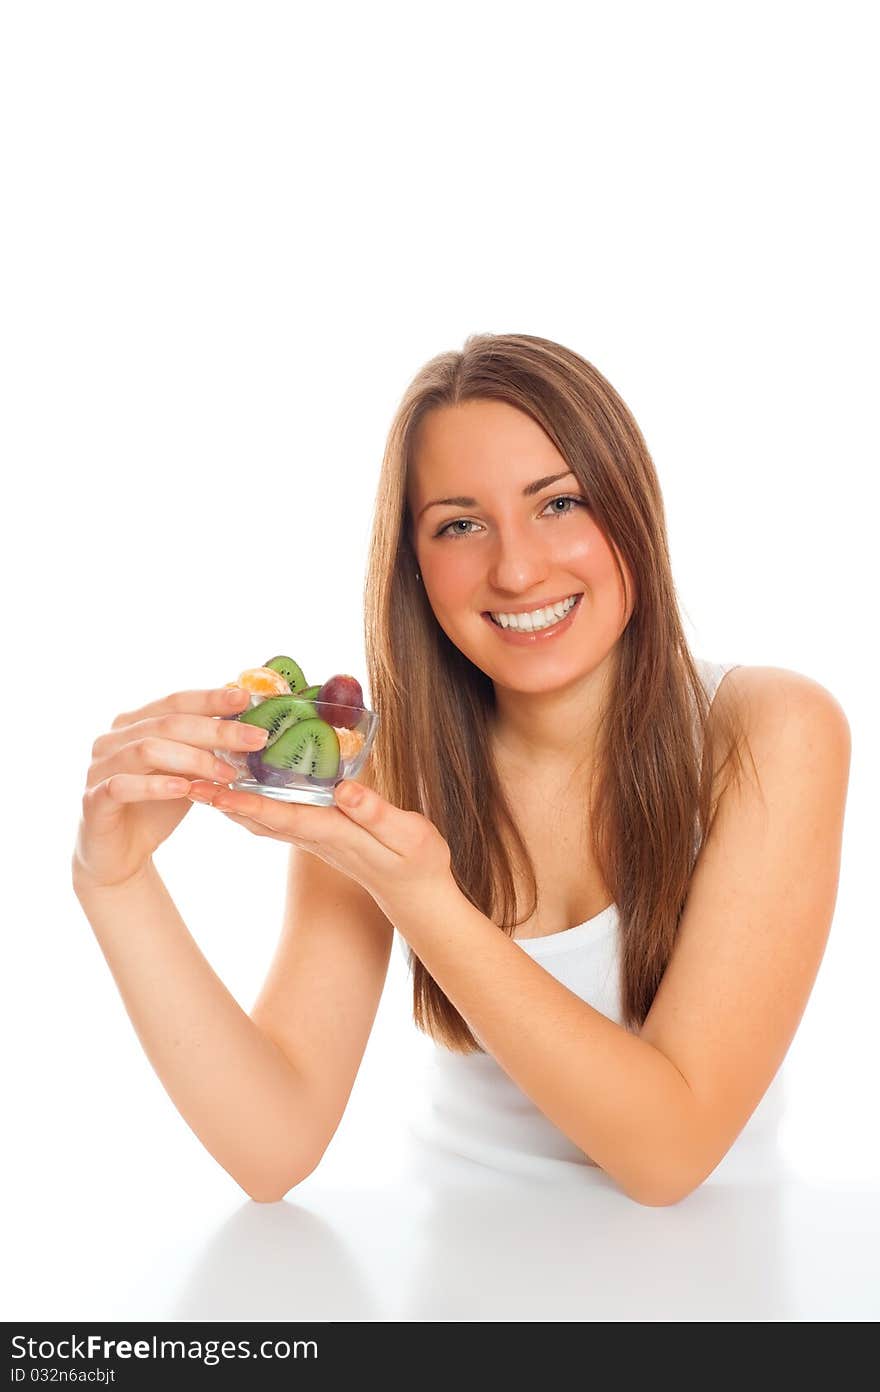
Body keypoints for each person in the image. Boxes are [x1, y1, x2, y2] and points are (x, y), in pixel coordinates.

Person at [71, 332, 851, 1206]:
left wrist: (420, 895)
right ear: (413, 565)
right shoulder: (383, 766)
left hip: (719, 1286)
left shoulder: (773, 730)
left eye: (559, 504)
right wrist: (118, 884)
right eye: (460, 525)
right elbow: (272, 1147)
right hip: (459, 1281)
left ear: (633, 507)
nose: (516, 570)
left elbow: (669, 1157)